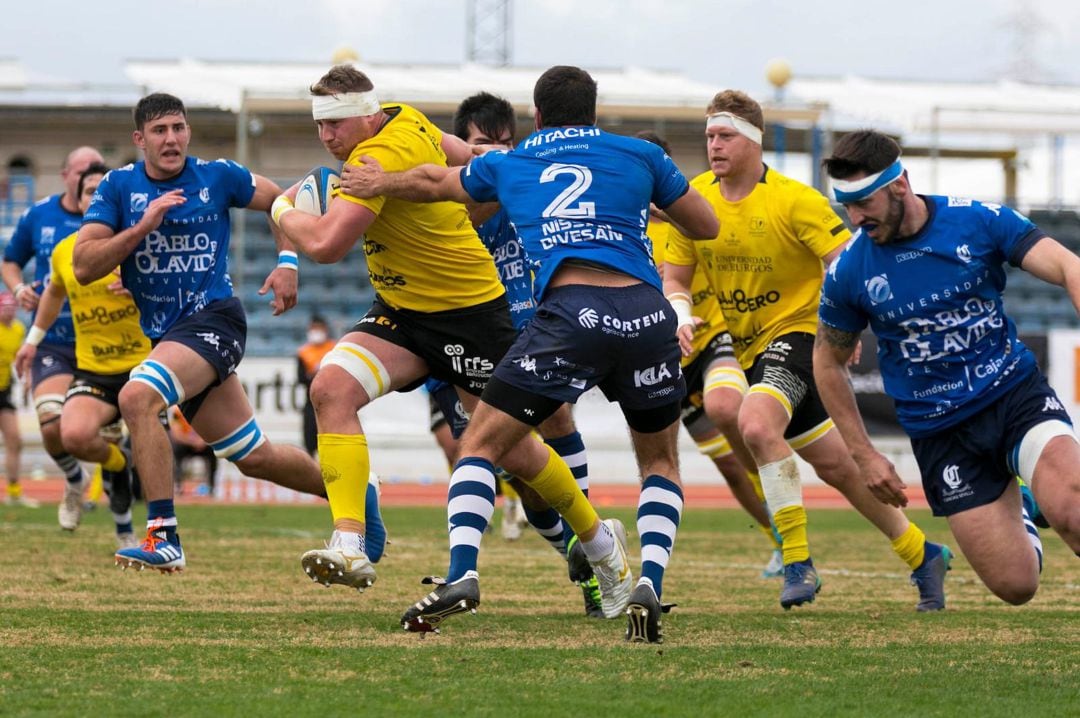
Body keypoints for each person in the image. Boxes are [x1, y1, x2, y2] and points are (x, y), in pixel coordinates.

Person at [341, 65, 719, 643]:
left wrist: (379, 184)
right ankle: (650, 583)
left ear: (537, 116)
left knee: (481, 444)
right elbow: (706, 224)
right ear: (595, 110)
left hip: (570, 315)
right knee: (661, 463)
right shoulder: (641, 155)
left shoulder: (511, 160)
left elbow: (435, 182)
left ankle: (462, 574)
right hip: (646, 314)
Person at [273, 64, 640, 630]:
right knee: (331, 386)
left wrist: (281, 210)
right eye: (320, 125)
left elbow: (325, 243)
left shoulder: (382, 155)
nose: (327, 137)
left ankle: (598, 540)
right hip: (403, 312)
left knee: (517, 455)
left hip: (470, 317)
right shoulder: (407, 116)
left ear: (368, 115)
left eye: (337, 125)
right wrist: (285, 252)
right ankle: (351, 541)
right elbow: (467, 158)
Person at [663, 90, 950, 611]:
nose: (713, 145)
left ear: (753, 141)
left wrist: (845, 329)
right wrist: (680, 312)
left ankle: (796, 561)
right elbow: (675, 278)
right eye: (709, 136)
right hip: (752, 349)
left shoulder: (795, 200)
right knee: (840, 468)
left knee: (753, 425)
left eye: (724, 135)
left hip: (801, 338)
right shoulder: (695, 201)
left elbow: (847, 261)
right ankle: (921, 552)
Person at [816, 129, 1080, 605]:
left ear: (899, 185)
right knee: (1015, 586)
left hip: (1013, 395)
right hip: (941, 432)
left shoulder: (976, 221)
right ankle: (1023, 506)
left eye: (863, 201)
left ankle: (1037, 488)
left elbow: (1068, 266)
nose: (855, 218)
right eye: (845, 205)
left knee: (1074, 510)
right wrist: (864, 454)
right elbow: (827, 364)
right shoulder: (849, 272)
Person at [73, 93, 326, 572]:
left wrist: (288, 261)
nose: (171, 139)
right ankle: (356, 492)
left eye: (178, 128)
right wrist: (141, 229)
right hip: (170, 337)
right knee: (254, 456)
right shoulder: (118, 188)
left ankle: (162, 535)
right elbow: (84, 266)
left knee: (136, 398)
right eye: (160, 130)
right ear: (139, 139)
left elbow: (283, 199)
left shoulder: (217, 175)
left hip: (215, 320)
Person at [637, 129, 782, 578]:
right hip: (661, 357)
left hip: (710, 336)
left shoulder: (696, 214)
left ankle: (788, 527)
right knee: (730, 469)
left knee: (727, 407)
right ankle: (778, 540)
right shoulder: (625, 227)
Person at [15, 163, 144, 547]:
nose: (95, 199)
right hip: (90, 365)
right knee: (65, 432)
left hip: (140, 364)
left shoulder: (140, 246)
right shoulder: (65, 253)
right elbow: (53, 293)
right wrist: (32, 340)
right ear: (80, 198)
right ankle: (80, 479)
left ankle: (138, 534)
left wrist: (140, 285)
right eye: (89, 192)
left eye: (101, 192)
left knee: (158, 459)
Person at [3, 145, 104, 526]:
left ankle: (115, 500)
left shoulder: (112, 214)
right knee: (51, 426)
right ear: (65, 175)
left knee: (100, 431)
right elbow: (11, 261)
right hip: (55, 339)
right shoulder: (39, 215)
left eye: (94, 173)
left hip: (101, 339)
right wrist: (16, 290)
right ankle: (75, 479)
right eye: (80, 171)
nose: (87, 177)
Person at [0, 292, 33, 506]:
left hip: (3, 389)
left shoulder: (19, 329)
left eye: (12, 306)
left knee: (15, 439)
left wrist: (26, 378)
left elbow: (18, 358)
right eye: (5, 307)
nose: (9, 310)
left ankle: (13, 492)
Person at [296, 315, 336, 456]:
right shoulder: (304, 352)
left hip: (331, 402)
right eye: (313, 328)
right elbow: (300, 378)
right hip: (311, 401)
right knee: (310, 440)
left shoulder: (333, 348)